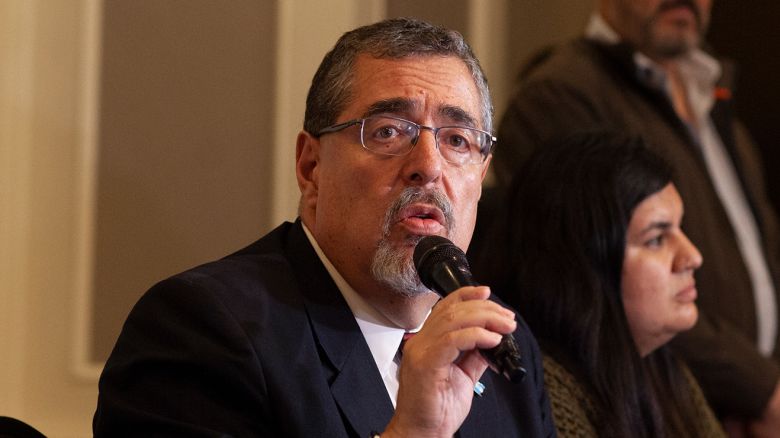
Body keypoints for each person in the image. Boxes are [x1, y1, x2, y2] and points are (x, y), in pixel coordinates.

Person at [92, 18, 555, 437]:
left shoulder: (500, 343)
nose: (429, 166)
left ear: (481, 176)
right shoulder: (203, 330)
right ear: (311, 167)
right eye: (388, 131)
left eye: (457, 140)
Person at [493, 0, 780, 433]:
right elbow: (586, 281)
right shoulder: (560, 95)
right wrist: (761, 388)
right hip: (638, 399)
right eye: (659, 237)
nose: (691, 256)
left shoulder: (717, 105)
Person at [474, 132, 724, 437]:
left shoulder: (662, 367)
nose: (692, 257)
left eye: (679, 228)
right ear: (583, 266)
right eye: (656, 239)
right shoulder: (544, 393)